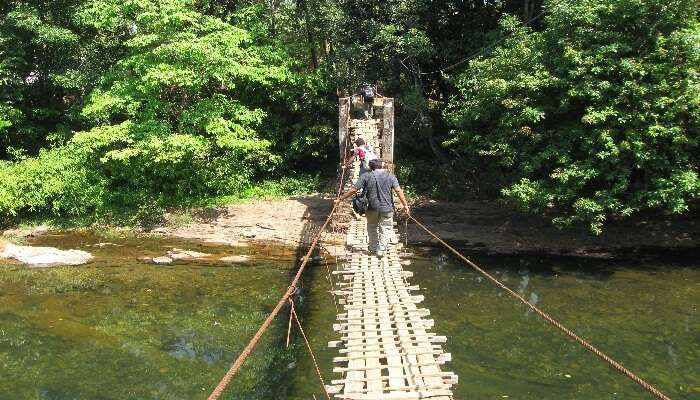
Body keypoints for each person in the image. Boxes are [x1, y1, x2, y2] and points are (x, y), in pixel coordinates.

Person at [336, 159, 409, 258]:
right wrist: (405, 205)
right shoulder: (391, 176)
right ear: (382, 166)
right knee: (386, 228)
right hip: (387, 208)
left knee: (372, 227)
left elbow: (354, 189)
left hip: (371, 208)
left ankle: (373, 247)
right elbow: (398, 191)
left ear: (370, 167)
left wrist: (340, 199)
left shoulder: (366, 176)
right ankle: (381, 250)